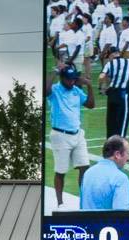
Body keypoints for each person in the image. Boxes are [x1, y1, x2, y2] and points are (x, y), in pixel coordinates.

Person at [46, 64, 95, 210]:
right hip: (60, 135)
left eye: (73, 79)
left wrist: (89, 86)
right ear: (62, 78)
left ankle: (84, 200)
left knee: (84, 167)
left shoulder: (76, 91)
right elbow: (45, 90)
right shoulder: (54, 90)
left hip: (77, 134)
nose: (72, 82)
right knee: (61, 172)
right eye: (69, 79)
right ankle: (60, 204)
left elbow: (91, 105)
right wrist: (54, 71)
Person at [80, 135, 129, 210]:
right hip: (107, 222)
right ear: (117, 155)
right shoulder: (120, 178)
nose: (128, 158)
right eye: (127, 153)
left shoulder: (88, 173)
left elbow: (82, 208)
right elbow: (122, 213)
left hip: (87, 221)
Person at [99, 46, 129, 139]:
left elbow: (101, 76)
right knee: (122, 123)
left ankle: (110, 144)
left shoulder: (109, 64)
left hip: (112, 94)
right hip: (124, 94)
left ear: (111, 54)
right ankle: (120, 144)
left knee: (111, 122)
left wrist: (103, 88)